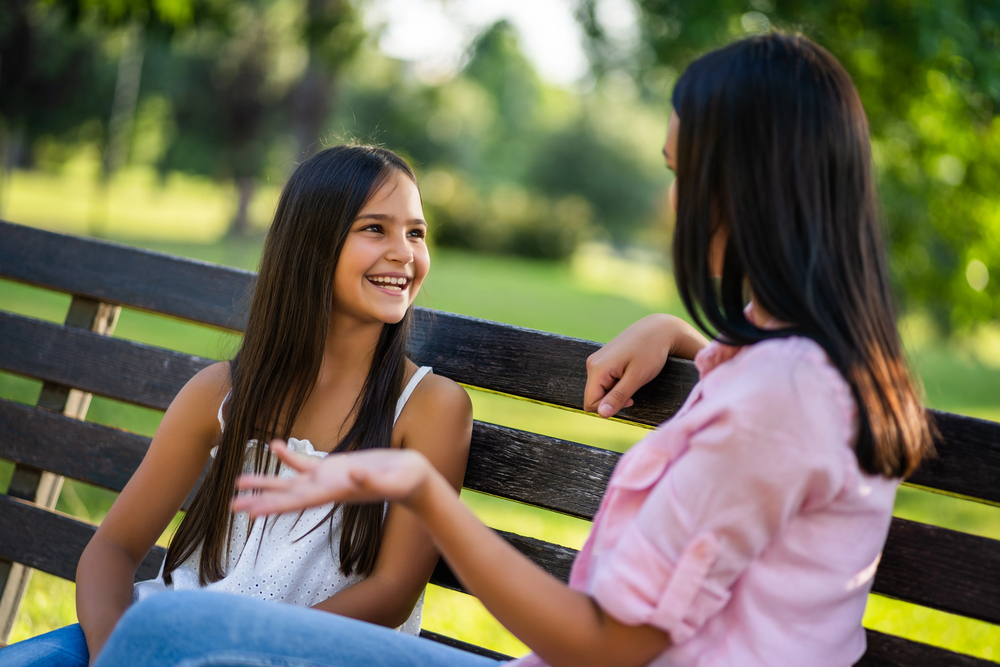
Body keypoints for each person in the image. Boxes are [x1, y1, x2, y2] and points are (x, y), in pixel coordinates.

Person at [91, 32, 934, 667]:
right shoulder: (791, 369)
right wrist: (677, 334)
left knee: (173, 626)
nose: (664, 199)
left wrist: (424, 491)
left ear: (750, 186)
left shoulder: (781, 395)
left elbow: (610, 642)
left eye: (683, 172)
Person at [0, 145, 473, 666]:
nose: (405, 251)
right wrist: (116, 656)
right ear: (311, 244)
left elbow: (392, 592)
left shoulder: (430, 409)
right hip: (156, 639)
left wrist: (234, 649)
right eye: (375, 229)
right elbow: (110, 551)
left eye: (416, 232)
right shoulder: (220, 394)